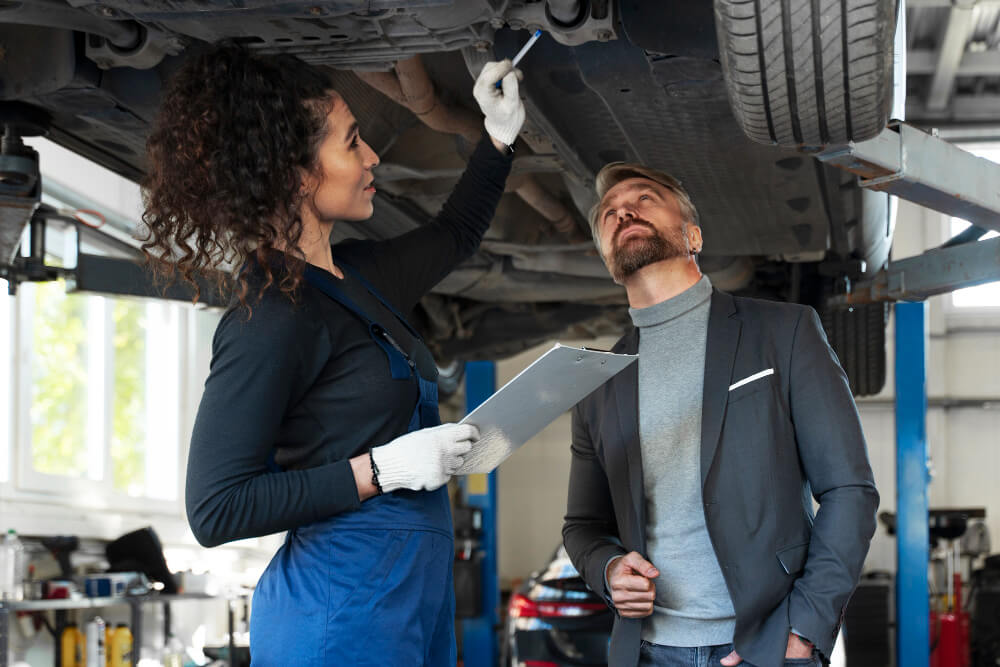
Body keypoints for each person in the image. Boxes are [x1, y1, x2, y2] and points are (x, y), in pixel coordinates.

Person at [140, 43, 525, 665]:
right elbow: (216, 508)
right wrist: (384, 469)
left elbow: (454, 234)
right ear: (295, 175)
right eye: (351, 144)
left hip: (414, 597)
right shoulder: (267, 317)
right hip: (338, 613)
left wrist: (498, 138)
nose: (372, 156)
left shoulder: (358, 277)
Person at [561, 162, 879, 667]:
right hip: (648, 652)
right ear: (605, 256)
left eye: (644, 199)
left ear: (693, 235)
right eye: (608, 214)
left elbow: (849, 491)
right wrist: (609, 568)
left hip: (766, 646)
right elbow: (582, 524)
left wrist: (803, 629)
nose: (623, 212)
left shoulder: (784, 331)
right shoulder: (597, 383)